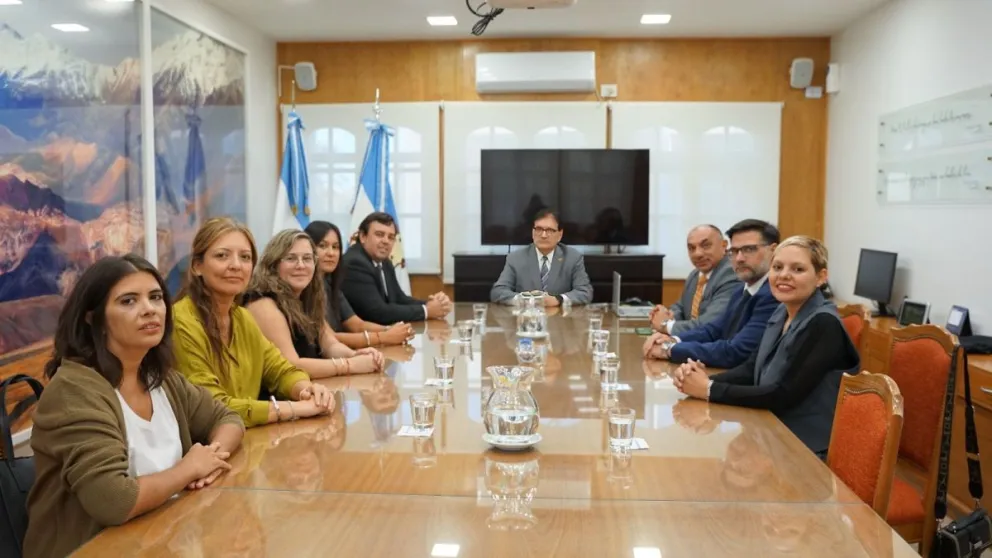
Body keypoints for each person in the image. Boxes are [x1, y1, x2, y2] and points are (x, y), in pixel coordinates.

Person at [24, 255, 245, 558]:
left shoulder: (160, 377)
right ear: (93, 317)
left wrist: (209, 461)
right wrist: (188, 469)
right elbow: (114, 501)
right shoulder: (74, 391)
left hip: (166, 536)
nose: (149, 310)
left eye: (155, 297)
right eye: (128, 301)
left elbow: (227, 418)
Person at [672, 236, 860, 457]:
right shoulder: (781, 311)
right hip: (769, 435)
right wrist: (699, 380)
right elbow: (752, 369)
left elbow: (782, 395)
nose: (784, 275)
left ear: (821, 277)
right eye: (777, 267)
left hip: (804, 451)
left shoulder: (823, 324)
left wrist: (709, 390)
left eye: (798, 269)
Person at [172, 217, 335, 428]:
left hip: (248, 442)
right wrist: (296, 408)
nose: (236, 266)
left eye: (245, 257)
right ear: (197, 266)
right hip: (203, 450)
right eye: (222, 256)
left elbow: (281, 370)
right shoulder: (181, 321)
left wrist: (306, 390)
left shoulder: (243, 318)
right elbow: (212, 407)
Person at [243, 229, 385, 378]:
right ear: (273, 264)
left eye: (307, 258)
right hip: (276, 399)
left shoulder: (307, 297)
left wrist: (355, 354)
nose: (301, 265)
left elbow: (330, 345)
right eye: (291, 258)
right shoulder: (263, 303)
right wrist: (350, 365)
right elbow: (290, 365)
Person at [643, 219, 780, 369]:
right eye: (734, 251)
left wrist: (669, 349)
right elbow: (712, 330)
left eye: (749, 249)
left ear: (773, 251)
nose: (739, 258)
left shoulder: (773, 294)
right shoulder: (742, 291)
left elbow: (735, 352)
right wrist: (674, 340)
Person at [303, 220, 415, 348]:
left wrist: (390, 330)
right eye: (322, 246)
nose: (331, 253)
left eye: (336, 247)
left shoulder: (329, 283)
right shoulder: (304, 288)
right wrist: (384, 337)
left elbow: (356, 325)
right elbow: (330, 338)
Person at [340, 212, 452, 324]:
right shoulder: (355, 263)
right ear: (363, 237)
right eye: (379, 234)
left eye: (391, 237)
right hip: (358, 337)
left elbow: (399, 298)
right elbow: (377, 313)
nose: (385, 241)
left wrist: (432, 304)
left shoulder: (384, 262)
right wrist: (426, 310)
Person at [490, 208, 593, 306]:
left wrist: (558, 300)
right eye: (539, 229)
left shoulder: (572, 257)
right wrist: (522, 300)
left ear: (560, 235)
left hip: (560, 320)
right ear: (533, 232)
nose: (543, 235)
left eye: (549, 230)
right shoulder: (516, 258)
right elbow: (498, 291)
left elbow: (584, 292)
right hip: (526, 319)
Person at [649, 224, 738, 334]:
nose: (697, 254)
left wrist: (665, 325)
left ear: (724, 246)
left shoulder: (731, 273)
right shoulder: (696, 274)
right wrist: (667, 315)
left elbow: (709, 324)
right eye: (691, 248)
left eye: (706, 246)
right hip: (690, 341)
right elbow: (681, 306)